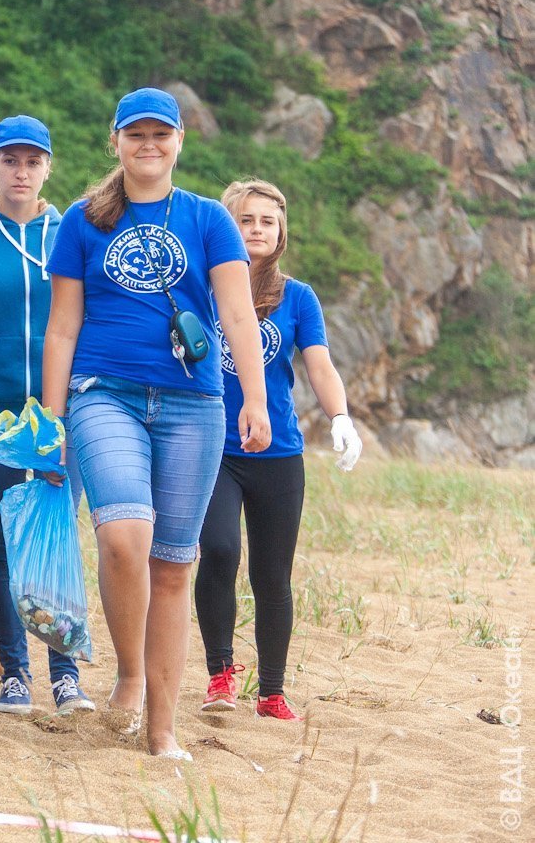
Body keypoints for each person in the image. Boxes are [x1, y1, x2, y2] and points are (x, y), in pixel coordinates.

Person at [43, 87, 270, 761]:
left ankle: (162, 729)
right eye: (135, 134)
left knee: (173, 564)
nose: (148, 145)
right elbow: (62, 327)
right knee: (124, 535)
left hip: (193, 404)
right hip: (103, 392)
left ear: (178, 142)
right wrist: (52, 417)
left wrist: (255, 399)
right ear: (115, 141)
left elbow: (238, 316)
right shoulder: (83, 220)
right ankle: (131, 673)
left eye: (160, 134)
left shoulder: (208, 219)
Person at [195, 179, 363, 721]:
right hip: (214, 446)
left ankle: (271, 691)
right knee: (219, 550)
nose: (257, 230)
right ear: (227, 225)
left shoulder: (298, 296)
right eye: (245, 220)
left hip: (278, 452)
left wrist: (340, 417)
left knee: (272, 575)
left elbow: (320, 365)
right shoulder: (202, 283)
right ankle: (220, 673)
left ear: (281, 231)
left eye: (267, 221)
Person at [0, 114, 95, 717]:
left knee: (54, 539)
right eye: (10, 161)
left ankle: (66, 674)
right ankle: (15, 674)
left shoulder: (68, 231)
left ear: (48, 167)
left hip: (58, 411)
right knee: (0, 547)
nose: (20, 172)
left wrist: (65, 411)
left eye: (32, 162)